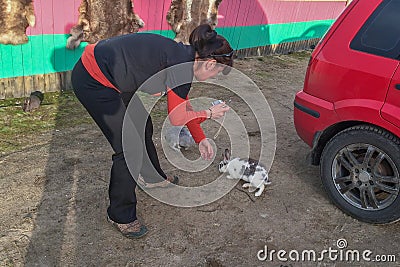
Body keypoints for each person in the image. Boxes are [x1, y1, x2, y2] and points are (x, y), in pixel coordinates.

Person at [71, 24, 234, 239]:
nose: (215, 76)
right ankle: (120, 215)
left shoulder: (184, 59)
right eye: (218, 72)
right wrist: (210, 113)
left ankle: (152, 177)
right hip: (94, 80)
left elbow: (183, 107)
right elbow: (177, 119)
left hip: (115, 78)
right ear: (210, 63)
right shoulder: (181, 66)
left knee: (143, 125)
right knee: (129, 148)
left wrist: (200, 138)